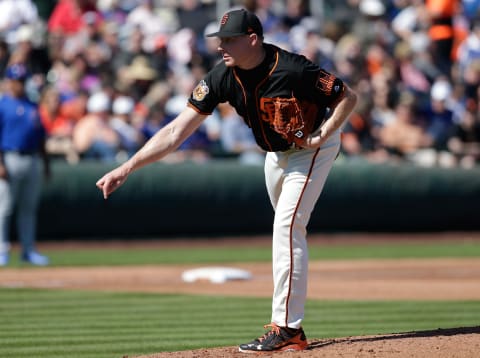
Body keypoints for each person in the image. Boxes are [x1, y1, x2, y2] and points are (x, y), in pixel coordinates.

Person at [96, 9, 357, 353]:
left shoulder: (293, 68)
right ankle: (290, 325)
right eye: (219, 40)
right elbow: (176, 131)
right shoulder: (222, 77)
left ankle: (287, 327)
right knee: (286, 231)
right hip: (275, 155)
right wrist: (126, 167)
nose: (221, 47)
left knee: (288, 227)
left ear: (253, 38)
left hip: (311, 150)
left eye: (229, 39)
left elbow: (346, 96)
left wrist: (324, 133)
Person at [0, 63, 50, 266]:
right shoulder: (3, 105)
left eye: (21, 80)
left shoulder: (32, 105)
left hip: (32, 158)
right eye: (15, 80)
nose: (18, 84)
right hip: (9, 157)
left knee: (28, 208)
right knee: (4, 208)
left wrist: (46, 164)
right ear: (9, 81)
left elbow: (41, 137)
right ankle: (2, 249)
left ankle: (28, 250)